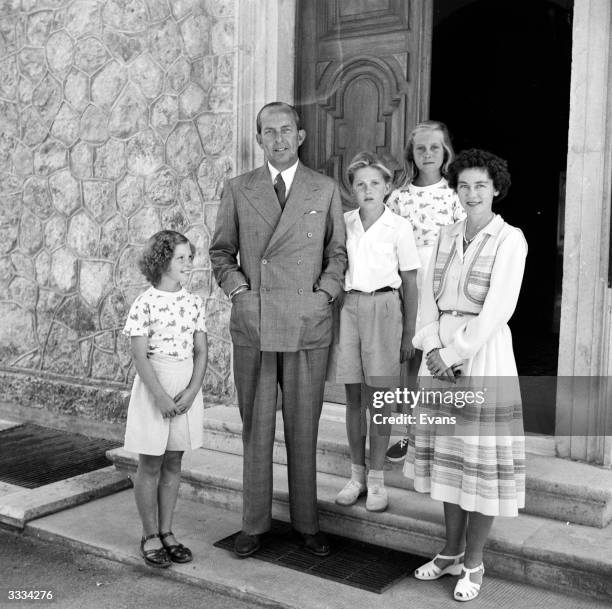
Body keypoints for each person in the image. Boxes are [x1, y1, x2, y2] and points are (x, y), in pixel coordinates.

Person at [209, 102, 346, 558]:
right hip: (257, 321)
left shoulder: (324, 188)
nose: (280, 139)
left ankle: (307, 524)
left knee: (304, 428)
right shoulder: (238, 188)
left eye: (287, 130)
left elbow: (338, 255)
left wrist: (323, 295)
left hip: (307, 322)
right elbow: (221, 253)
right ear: (259, 139)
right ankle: (253, 524)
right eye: (270, 132)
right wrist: (240, 293)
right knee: (257, 428)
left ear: (300, 136)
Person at [404, 149, 527, 602]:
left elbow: (498, 309)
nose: (471, 193)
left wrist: (455, 352)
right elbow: (426, 299)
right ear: (455, 191)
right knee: (447, 459)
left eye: (480, 185)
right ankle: (451, 551)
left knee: (478, 462)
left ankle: (474, 562)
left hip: (482, 357)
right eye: (463, 185)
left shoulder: (509, 239)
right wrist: (432, 348)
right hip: (438, 354)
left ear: (495, 189)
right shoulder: (444, 235)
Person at [331, 152, 419, 512]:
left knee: (379, 401)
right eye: (360, 184)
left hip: (385, 309)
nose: (367, 189)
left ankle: (378, 479)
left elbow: (411, 282)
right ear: (351, 189)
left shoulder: (399, 227)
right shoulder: (344, 222)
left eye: (375, 183)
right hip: (349, 308)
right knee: (354, 398)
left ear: (387, 187)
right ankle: (357, 476)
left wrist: (408, 333)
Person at [123, 230, 208, 568]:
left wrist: (191, 391)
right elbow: (140, 356)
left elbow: (201, 351)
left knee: (174, 461)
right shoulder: (145, 303)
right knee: (151, 463)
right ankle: (149, 534)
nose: (189, 264)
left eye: (191, 257)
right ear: (162, 262)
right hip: (155, 389)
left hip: (185, 387)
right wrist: (160, 397)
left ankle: (167, 531)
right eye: (181, 259)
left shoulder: (194, 302)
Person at [385, 120, 466, 463]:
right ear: (412, 154)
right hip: (409, 291)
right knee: (409, 363)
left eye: (435, 147)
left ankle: (439, 442)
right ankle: (407, 436)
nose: (428, 153)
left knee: (442, 363)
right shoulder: (399, 197)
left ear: (445, 152)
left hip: (444, 293)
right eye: (421, 148)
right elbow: (385, 243)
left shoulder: (455, 197)